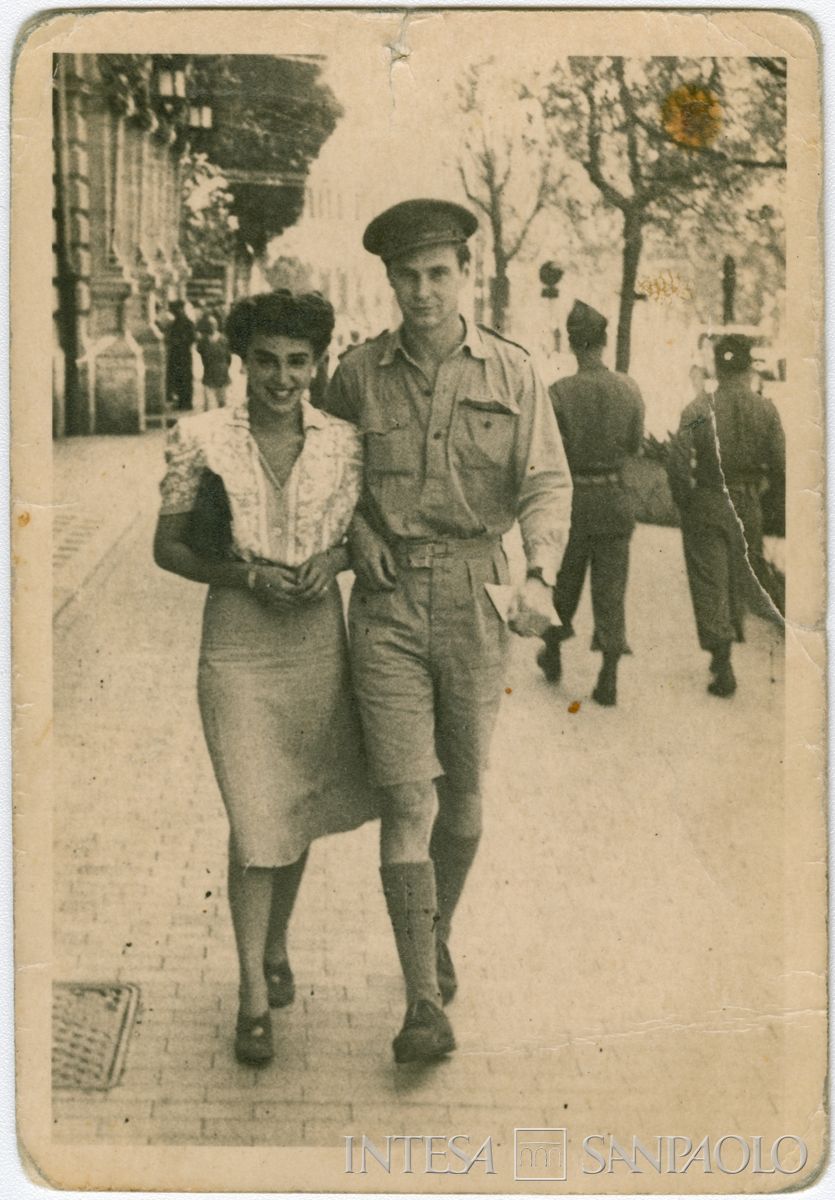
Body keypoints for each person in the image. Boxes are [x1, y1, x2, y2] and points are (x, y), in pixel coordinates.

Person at [325, 198, 572, 1063]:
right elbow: (327, 475)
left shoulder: (512, 371)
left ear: (465, 273)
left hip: (476, 593)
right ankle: (421, 1004)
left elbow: (545, 482)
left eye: (437, 273)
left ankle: (435, 931)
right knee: (407, 798)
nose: (422, 290)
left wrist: (538, 573)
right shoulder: (356, 376)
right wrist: (356, 532)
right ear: (389, 280)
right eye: (407, 275)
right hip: (387, 601)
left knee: (463, 798)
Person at [153, 290, 376, 1066]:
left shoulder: (345, 443)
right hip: (238, 645)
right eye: (267, 361)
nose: (282, 377)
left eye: (297, 362)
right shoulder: (200, 438)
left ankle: (276, 942)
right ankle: (252, 989)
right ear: (242, 362)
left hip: (315, 642)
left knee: (294, 805)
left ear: (316, 363)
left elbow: (358, 535)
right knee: (255, 818)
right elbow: (167, 548)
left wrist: (332, 560)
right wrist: (245, 576)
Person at [536, 301, 645, 707]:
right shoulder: (629, 389)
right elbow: (635, 444)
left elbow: (548, 453)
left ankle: (553, 650)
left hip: (573, 502)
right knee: (611, 589)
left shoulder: (559, 393)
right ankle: (608, 675)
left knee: (564, 581)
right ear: (604, 341)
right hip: (615, 499)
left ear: (572, 344)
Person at [666, 333, 785, 697]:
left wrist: (685, 500)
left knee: (710, 579)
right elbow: (781, 465)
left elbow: (677, 459)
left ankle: (722, 660)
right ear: (749, 368)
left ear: (716, 368)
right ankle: (731, 642)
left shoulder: (699, 409)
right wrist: (765, 502)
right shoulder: (766, 410)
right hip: (747, 503)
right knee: (736, 577)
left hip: (709, 498)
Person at [164, 300, 197, 412]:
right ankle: (183, 402)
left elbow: (192, 338)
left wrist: (178, 341)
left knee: (184, 378)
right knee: (180, 378)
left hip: (182, 354)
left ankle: (186, 402)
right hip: (180, 354)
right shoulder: (179, 323)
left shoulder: (186, 323)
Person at [196, 314, 232, 409]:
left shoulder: (224, 340)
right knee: (209, 405)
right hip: (209, 374)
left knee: (223, 403)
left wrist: (225, 367)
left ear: (217, 325)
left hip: (222, 374)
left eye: (213, 324)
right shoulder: (203, 341)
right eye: (209, 324)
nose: (211, 327)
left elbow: (228, 358)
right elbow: (201, 353)